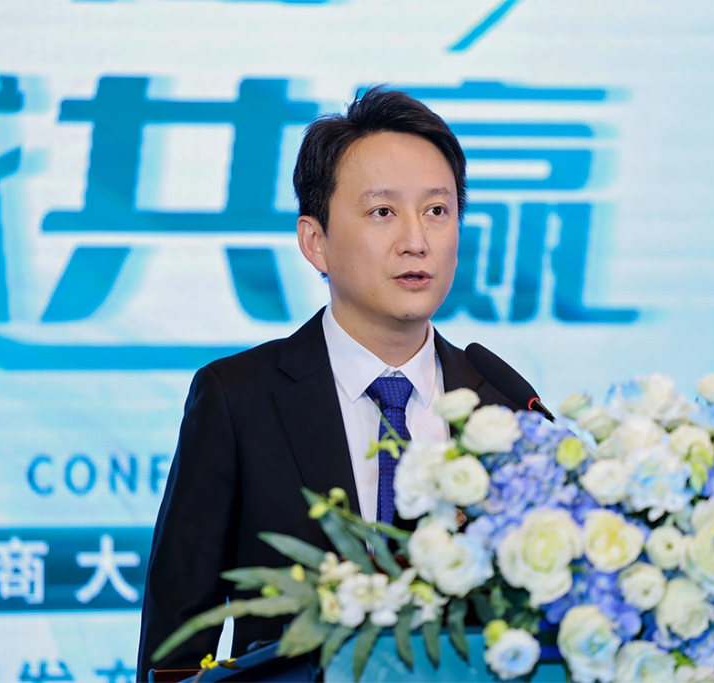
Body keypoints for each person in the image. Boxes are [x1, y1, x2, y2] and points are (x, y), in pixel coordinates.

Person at [136, 86, 519, 679]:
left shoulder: (503, 407)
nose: (416, 240)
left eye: (437, 211)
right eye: (383, 212)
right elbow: (176, 653)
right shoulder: (238, 401)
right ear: (315, 242)